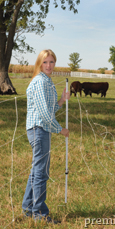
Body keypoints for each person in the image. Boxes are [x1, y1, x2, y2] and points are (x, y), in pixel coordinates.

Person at [22, 49, 70, 224]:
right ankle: (40, 213)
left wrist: (62, 100)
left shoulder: (46, 81)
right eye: (45, 62)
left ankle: (28, 207)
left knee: (37, 170)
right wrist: (60, 129)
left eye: (52, 62)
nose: (49, 65)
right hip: (38, 129)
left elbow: (49, 109)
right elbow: (43, 114)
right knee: (41, 172)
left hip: (40, 128)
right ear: (39, 64)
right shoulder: (40, 82)